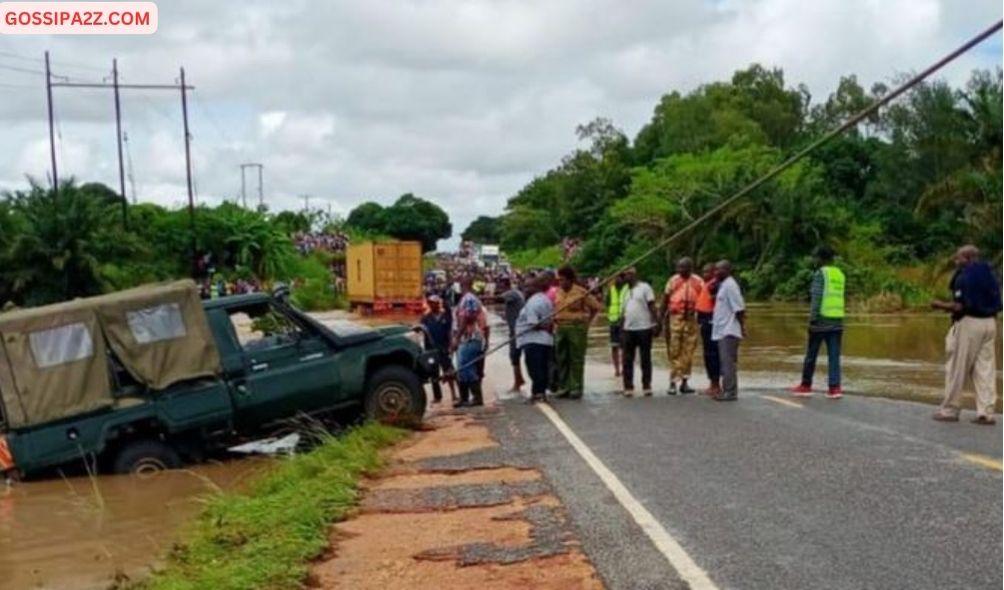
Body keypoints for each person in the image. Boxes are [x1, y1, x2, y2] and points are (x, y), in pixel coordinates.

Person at [931, 245, 1001, 424]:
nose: (956, 261)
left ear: (968, 258)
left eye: (959, 258)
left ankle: (950, 410)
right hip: (990, 323)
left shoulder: (964, 277)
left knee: (957, 367)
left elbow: (960, 305)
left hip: (969, 323)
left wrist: (939, 305)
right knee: (985, 369)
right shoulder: (990, 274)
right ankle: (986, 412)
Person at [790, 246, 845, 399]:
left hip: (821, 320)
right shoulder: (839, 274)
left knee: (811, 354)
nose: (814, 260)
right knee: (834, 356)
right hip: (837, 320)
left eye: (815, 257)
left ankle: (806, 385)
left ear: (821, 258)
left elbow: (817, 298)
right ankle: (835, 388)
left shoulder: (820, 274)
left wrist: (812, 319)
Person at [554, 266, 602, 399]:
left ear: (570, 280)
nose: (560, 283)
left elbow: (596, 307)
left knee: (576, 358)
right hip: (560, 327)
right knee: (562, 358)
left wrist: (588, 323)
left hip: (576, 328)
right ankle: (564, 387)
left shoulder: (581, 292)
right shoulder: (558, 292)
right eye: (559, 280)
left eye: (562, 280)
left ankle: (576, 387)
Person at [663, 257, 704, 395]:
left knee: (689, 352)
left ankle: (685, 382)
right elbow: (665, 300)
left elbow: (704, 301)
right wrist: (659, 320)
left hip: (692, 320)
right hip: (675, 319)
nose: (680, 270)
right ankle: (673, 382)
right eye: (679, 268)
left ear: (690, 268)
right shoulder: (673, 281)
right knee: (674, 351)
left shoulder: (698, 282)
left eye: (683, 268)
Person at [620, 267, 660, 397]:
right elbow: (623, 312)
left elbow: (652, 306)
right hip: (628, 329)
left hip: (644, 328)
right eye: (624, 276)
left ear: (633, 275)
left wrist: (656, 323)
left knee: (645, 358)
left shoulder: (644, 287)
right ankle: (628, 386)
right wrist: (621, 329)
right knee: (627, 359)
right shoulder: (624, 291)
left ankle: (646, 385)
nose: (626, 277)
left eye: (628, 275)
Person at [516, 276, 555, 403]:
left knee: (534, 368)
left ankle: (537, 393)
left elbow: (533, 324)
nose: (525, 289)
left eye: (528, 287)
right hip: (545, 340)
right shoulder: (545, 299)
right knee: (542, 367)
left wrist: (541, 326)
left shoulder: (532, 303)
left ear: (536, 288)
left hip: (534, 340)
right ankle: (540, 392)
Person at [452, 279, 489, 408]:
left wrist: (457, 337)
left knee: (466, 367)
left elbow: (466, 318)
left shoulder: (468, 298)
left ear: (463, 286)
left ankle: (476, 398)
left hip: (471, 338)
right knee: (462, 368)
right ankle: (465, 398)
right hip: (467, 339)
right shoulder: (468, 299)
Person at [711, 260, 745, 401]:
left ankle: (730, 392)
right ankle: (728, 390)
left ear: (727, 270)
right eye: (715, 269)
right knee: (726, 363)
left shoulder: (731, 286)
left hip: (729, 330)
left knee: (727, 363)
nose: (716, 272)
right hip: (723, 330)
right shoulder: (723, 285)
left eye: (719, 270)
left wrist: (742, 327)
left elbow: (739, 309)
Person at [418, 295, 456, 404]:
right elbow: (420, 330)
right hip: (431, 350)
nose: (432, 304)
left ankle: (454, 394)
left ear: (438, 303)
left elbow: (449, 332)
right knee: (433, 374)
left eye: (434, 302)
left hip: (443, 348)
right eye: (430, 303)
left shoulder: (445, 316)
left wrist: (451, 344)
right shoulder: (425, 318)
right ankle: (437, 397)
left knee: (449, 371)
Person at [695, 263, 720, 396]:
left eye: (707, 272)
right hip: (706, 323)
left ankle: (715, 385)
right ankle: (713, 384)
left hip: (711, 323)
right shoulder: (708, 284)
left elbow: (718, 302)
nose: (704, 275)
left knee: (712, 355)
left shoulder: (714, 285)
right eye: (703, 272)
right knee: (709, 355)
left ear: (714, 272)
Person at [499, 277, 526, 392]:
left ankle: (517, 382)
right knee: (515, 356)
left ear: (504, 285)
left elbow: (496, 298)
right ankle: (519, 379)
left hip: (517, 330)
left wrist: (478, 298)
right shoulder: (517, 293)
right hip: (518, 329)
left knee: (514, 356)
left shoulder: (511, 293)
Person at [605, 274, 628, 377]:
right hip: (613, 321)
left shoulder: (627, 289)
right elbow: (607, 304)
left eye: (619, 277)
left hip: (625, 321)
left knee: (624, 347)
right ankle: (617, 369)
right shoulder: (611, 290)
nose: (616, 279)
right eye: (615, 277)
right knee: (614, 347)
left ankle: (624, 368)